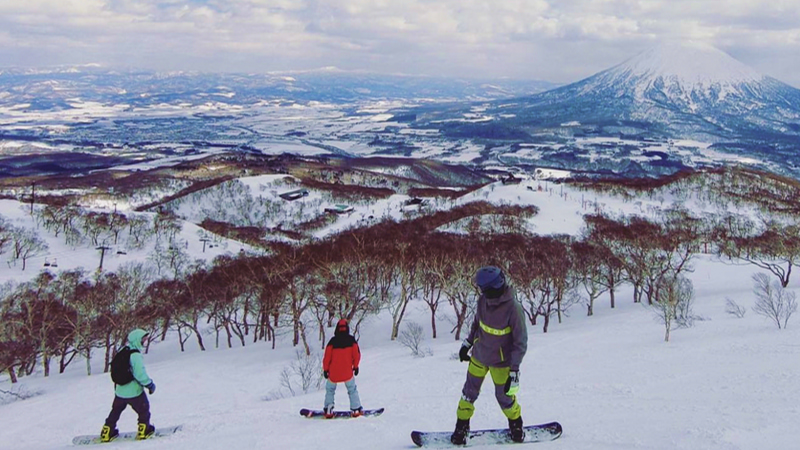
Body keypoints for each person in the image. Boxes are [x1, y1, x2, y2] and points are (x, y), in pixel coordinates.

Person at [451, 266, 528, 445]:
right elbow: (477, 325)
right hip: (479, 356)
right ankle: (461, 427)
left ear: (494, 286)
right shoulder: (482, 302)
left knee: (504, 397)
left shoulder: (513, 309)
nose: (482, 292)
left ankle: (516, 424)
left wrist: (514, 369)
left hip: (501, 363)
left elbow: (520, 343)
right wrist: (467, 343)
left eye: (484, 289)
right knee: (468, 393)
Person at [100, 329, 157, 442]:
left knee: (115, 411)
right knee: (143, 410)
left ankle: (107, 432)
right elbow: (140, 374)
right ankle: (144, 430)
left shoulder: (123, 351)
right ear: (137, 340)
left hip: (120, 391)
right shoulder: (135, 355)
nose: (144, 341)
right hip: (134, 391)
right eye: (143, 339)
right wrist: (150, 384)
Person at [322, 319, 363, 418]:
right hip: (347, 372)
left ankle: (328, 409)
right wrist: (356, 367)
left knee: (330, 390)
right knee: (352, 389)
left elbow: (327, 357)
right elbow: (357, 355)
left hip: (334, 373)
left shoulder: (332, 341)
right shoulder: (351, 340)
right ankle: (356, 409)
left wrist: (326, 369)